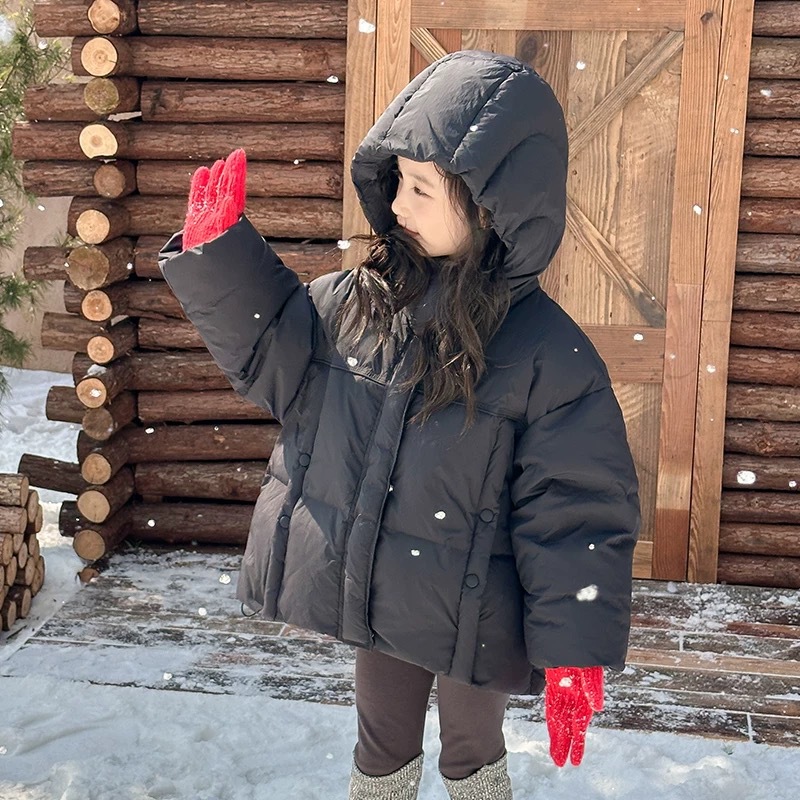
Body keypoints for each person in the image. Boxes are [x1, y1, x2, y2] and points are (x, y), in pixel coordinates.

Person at [158, 49, 641, 800]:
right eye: (397, 182)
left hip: (479, 608)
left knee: (470, 751)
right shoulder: (361, 303)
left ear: (491, 207)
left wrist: (573, 650)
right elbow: (275, 354)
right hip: (383, 598)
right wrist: (221, 258)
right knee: (380, 747)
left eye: (421, 187)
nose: (399, 205)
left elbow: (575, 514)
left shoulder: (550, 355)